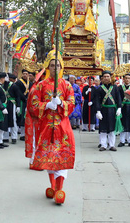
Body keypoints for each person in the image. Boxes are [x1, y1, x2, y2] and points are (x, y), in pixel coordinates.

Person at [28, 50, 75, 205]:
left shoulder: (67, 85)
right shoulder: (40, 86)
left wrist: (62, 103)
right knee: (49, 157)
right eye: (52, 65)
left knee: (61, 156)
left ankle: (59, 186)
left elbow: (72, 103)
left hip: (63, 127)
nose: (55, 68)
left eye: (57, 65)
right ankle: (53, 186)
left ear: (61, 67)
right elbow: (33, 105)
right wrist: (46, 105)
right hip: (46, 126)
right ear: (48, 66)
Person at [95, 70, 122, 151]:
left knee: (112, 129)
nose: (106, 78)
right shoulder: (99, 89)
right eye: (105, 77)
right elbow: (97, 101)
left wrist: (119, 108)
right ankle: (103, 145)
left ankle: (112, 145)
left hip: (113, 110)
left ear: (110, 78)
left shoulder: (115, 88)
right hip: (103, 110)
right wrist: (98, 111)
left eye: (108, 76)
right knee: (103, 128)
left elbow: (119, 98)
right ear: (102, 78)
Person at [10, 69, 31, 142]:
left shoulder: (30, 83)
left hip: (28, 101)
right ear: (21, 74)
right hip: (22, 101)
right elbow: (18, 93)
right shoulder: (18, 83)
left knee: (27, 117)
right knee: (21, 117)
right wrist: (24, 98)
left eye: (26, 74)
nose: (25, 75)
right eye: (24, 74)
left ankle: (26, 134)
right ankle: (22, 134)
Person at [118, 73, 130, 147]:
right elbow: (118, 98)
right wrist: (119, 108)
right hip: (123, 107)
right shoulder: (120, 88)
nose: (127, 79)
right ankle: (122, 141)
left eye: (129, 78)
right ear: (123, 79)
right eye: (126, 78)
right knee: (122, 124)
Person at [6, 74, 21, 143]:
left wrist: (18, 105)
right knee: (5, 119)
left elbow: (18, 96)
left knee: (13, 119)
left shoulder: (14, 86)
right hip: (5, 103)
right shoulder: (3, 85)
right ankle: (5, 136)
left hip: (12, 103)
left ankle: (14, 137)